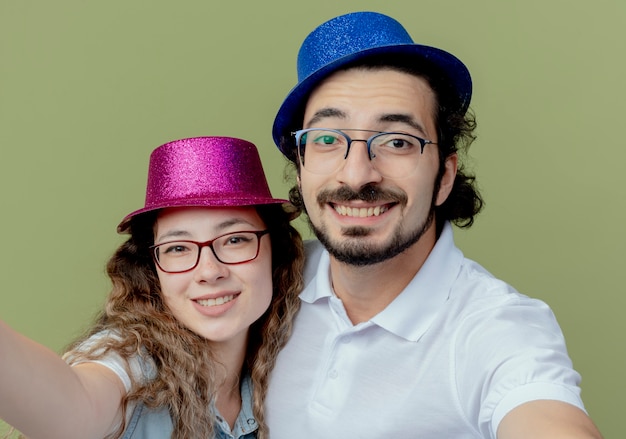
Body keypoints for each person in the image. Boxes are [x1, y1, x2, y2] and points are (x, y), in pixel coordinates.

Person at [265, 11, 602, 439]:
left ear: (444, 176)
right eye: (327, 139)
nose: (356, 175)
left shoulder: (497, 329)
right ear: (300, 169)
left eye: (397, 142)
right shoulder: (262, 279)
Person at [0, 136, 304, 439]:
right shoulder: (132, 362)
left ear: (275, 251)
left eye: (236, 239)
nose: (209, 271)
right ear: (153, 269)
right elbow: (74, 409)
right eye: (177, 248)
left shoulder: (284, 365)